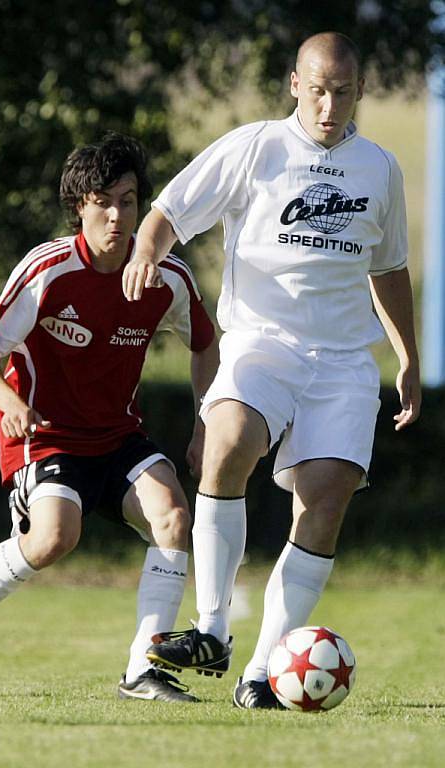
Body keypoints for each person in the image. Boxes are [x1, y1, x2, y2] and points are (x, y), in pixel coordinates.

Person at [122, 32, 421, 708]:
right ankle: (212, 629)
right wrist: (146, 248)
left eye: (341, 92)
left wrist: (406, 357)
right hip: (260, 343)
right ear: (294, 83)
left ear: (359, 92)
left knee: (323, 504)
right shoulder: (255, 147)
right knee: (225, 444)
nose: (327, 105)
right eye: (317, 90)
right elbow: (170, 209)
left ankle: (261, 673)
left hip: (343, 363)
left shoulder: (378, 168)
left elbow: (389, 267)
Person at [0, 132, 219, 703]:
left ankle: (142, 671)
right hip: (47, 439)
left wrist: (204, 423)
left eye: (128, 200)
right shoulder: (47, 270)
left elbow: (204, 343)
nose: (117, 215)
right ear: (80, 207)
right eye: (104, 202)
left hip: (119, 436)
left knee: (174, 515)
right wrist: (12, 404)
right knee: (52, 539)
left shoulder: (166, 277)